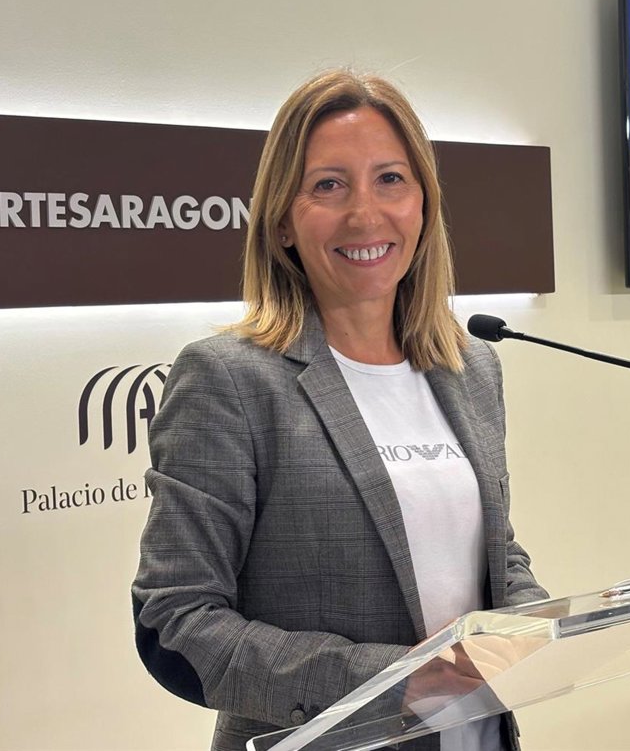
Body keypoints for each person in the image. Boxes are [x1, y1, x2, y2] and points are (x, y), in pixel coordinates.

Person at [132, 69, 547, 751]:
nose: (365, 214)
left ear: (423, 204)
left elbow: (493, 554)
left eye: (391, 179)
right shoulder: (229, 380)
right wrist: (393, 679)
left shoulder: (470, 367)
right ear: (282, 221)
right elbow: (176, 623)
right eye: (328, 185)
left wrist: (536, 621)